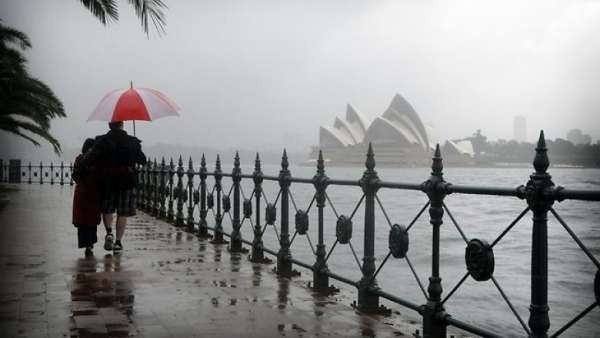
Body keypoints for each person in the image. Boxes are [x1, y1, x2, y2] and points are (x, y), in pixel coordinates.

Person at [86, 120, 146, 253]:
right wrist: (135, 149)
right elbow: (143, 160)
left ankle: (109, 233)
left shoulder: (101, 141)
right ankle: (118, 243)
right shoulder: (132, 141)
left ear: (109, 125)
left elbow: (91, 158)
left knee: (107, 209)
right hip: (126, 181)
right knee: (122, 212)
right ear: (122, 125)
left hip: (107, 180)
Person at [72, 138, 101, 256]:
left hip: (81, 191)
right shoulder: (95, 160)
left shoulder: (79, 159)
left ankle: (86, 243)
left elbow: (75, 176)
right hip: (92, 191)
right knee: (91, 218)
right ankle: (90, 244)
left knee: (83, 218)